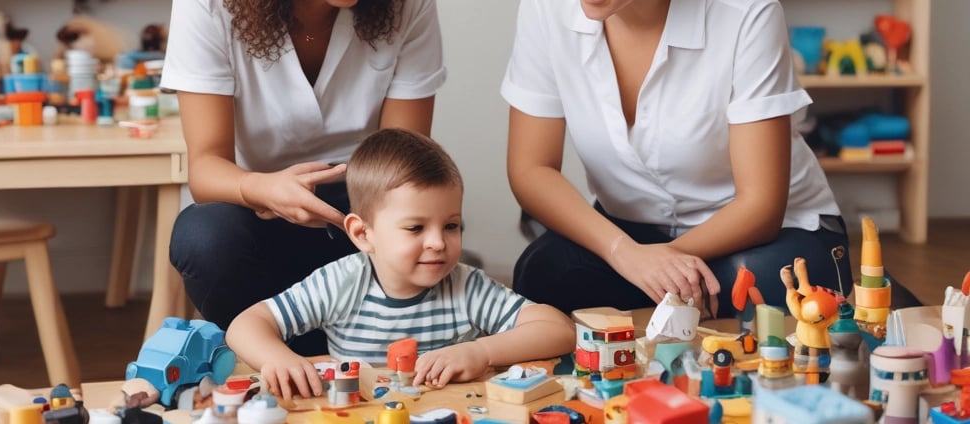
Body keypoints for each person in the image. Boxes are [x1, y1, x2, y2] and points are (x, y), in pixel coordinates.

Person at [501, 0, 863, 316]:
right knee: (544, 274)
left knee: (758, 287)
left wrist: (664, 265)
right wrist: (627, 255)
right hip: (630, 233)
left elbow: (760, 206)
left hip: (764, 235)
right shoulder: (545, 8)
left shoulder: (746, 13)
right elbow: (532, 169)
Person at [159, 0, 446, 356]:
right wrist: (265, 188)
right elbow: (206, 168)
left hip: (364, 204)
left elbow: (403, 167)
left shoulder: (409, 5)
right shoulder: (208, 6)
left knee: (413, 220)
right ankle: (266, 355)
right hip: (255, 204)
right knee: (204, 235)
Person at [226, 129, 575, 399]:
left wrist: (481, 351)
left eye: (451, 225)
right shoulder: (342, 283)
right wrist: (280, 358)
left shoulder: (466, 286)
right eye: (416, 228)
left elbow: (558, 329)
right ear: (362, 234)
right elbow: (246, 325)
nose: (438, 242)